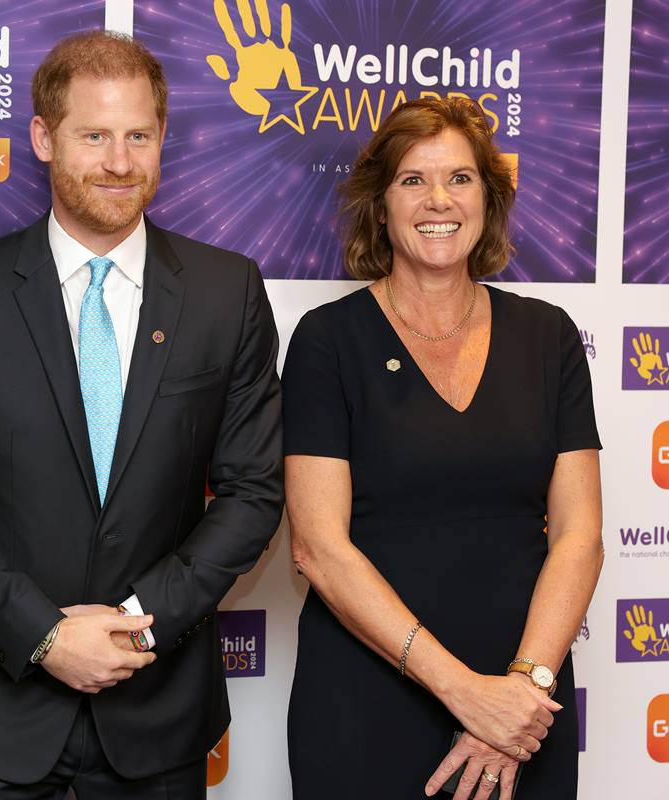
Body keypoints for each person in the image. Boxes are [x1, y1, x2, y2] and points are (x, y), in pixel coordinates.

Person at [0, 30, 283, 799]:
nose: (119, 161)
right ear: (43, 137)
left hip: (157, 713)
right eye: (94, 135)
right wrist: (43, 633)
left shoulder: (225, 292)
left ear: (163, 138)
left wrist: (141, 622)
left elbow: (254, 491)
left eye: (139, 135)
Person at [283, 96, 603, 800]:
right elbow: (317, 548)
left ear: (488, 199)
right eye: (413, 180)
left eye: (461, 179)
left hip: (526, 710)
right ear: (381, 203)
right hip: (366, 703)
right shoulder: (327, 342)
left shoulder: (548, 338)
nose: (439, 200)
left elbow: (580, 536)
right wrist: (465, 694)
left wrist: (521, 693)